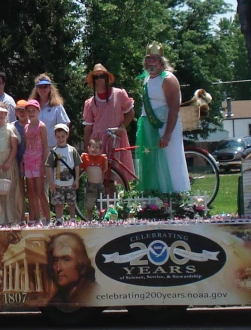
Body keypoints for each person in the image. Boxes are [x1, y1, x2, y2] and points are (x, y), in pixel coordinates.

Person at [137, 42, 191, 193]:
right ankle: (156, 199)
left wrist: (167, 134)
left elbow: (174, 109)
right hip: (151, 129)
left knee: (171, 162)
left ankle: (176, 197)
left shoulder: (168, 79)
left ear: (161, 61)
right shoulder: (147, 79)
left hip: (166, 128)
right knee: (154, 164)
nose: (150, 62)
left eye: (154, 59)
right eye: (148, 59)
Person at [82, 64, 136, 196]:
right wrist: (87, 146)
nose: (99, 79)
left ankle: (120, 207)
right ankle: (106, 209)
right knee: (102, 180)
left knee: (116, 177)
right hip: (98, 143)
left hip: (115, 139)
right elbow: (88, 127)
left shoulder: (118, 94)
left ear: (106, 78)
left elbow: (130, 112)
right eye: (96, 77)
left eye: (102, 76)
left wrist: (122, 127)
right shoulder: (90, 103)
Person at [47, 233, 99, 305]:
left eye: (66, 259)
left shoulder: (95, 294)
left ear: (81, 263)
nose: (58, 268)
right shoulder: (56, 300)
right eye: (55, 260)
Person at [45, 124, 81, 221]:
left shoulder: (72, 150)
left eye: (62, 136)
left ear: (67, 135)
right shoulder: (53, 152)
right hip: (58, 184)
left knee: (72, 203)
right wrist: (51, 183)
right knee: (58, 203)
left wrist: (77, 179)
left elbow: (77, 165)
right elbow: (49, 167)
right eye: (58, 137)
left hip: (70, 183)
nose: (60, 139)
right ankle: (59, 220)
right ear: (55, 137)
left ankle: (72, 219)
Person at [22, 99, 50, 223]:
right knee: (31, 192)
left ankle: (47, 218)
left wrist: (45, 163)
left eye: (33, 110)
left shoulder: (41, 126)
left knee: (40, 192)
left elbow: (45, 146)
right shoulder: (26, 127)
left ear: (38, 111)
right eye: (29, 111)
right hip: (28, 161)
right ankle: (37, 219)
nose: (31, 113)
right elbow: (26, 144)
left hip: (38, 161)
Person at [28, 73, 70, 149]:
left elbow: (64, 126)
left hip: (53, 147)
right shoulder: (31, 106)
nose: (42, 89)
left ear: (50, 88)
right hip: (35, 147)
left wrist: (61, 144)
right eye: (40, 87)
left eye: (45, 87)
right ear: (36, 89)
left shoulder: (57, 106)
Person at [81, 138, 107, 220]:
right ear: (88, 148)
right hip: (91, 186)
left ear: (100, 150)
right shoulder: (85, 157)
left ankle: (102, 219)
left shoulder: (101, 158)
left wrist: (105, 160)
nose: (94, 149)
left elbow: (105, 169)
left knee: (102, 204)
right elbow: (79, 166)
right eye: (92, 147)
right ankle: (89, 220)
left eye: (97, 148)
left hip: (100, 185)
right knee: (89, 204)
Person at [12, 99, 29, 174]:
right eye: (19, 110)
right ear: (16, 113)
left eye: (24, 110)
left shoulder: (32, 125)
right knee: (19, 180)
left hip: (29, 156)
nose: (22, 113)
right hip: (16, 156)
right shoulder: (12, 126)